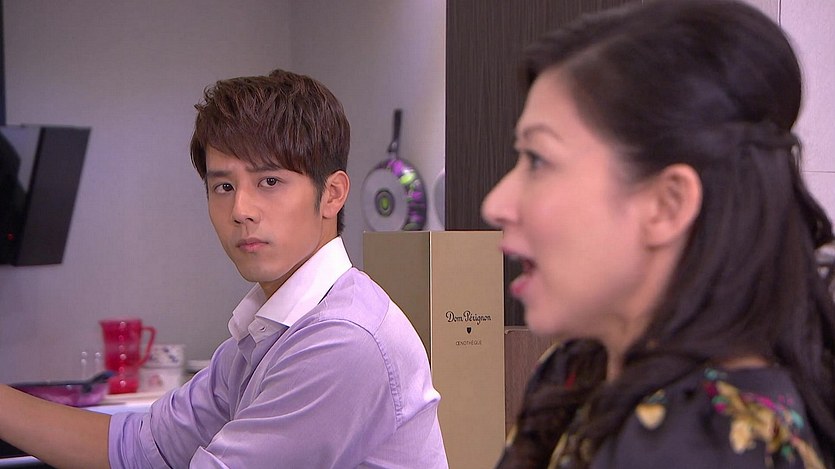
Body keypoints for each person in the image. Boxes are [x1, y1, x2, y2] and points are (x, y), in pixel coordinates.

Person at [0, 69, 448, 468]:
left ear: (332, 194)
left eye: (269, 181)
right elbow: (137, 448)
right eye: (223, 186)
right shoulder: (266, 332)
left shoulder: (343, 340)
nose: (240, 210)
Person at [481, 1, 835, 467]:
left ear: (667, 204)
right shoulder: (577, 371)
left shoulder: (699, 442)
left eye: (538, 160)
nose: (495, 204)